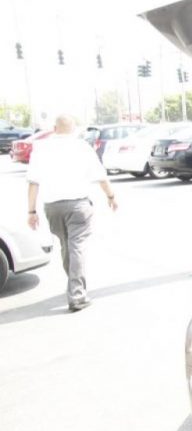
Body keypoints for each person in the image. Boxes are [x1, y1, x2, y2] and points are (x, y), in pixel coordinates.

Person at [26, 115, 118, 311]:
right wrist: (111, 196)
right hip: (78, 205)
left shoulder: (41, 149)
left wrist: (31, 211)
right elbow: (101, 176)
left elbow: (33, 182)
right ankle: (77, 295)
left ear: (54, 128)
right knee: (76, 247)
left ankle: (74, 285)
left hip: (52, 207)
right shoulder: (82, 147)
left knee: (66, 246)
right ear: (74, 129)